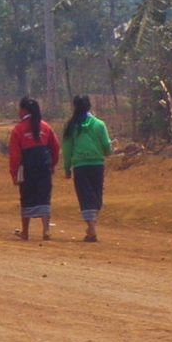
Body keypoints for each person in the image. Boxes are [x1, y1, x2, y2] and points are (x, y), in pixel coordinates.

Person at [62, 95, 114, 242]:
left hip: (80, 166)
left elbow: (67, 149)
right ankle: (91, 228)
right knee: (96, 197)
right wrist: (109, 151)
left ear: (74, 107)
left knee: (85, 197)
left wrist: (67, 168)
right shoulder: (99, 124)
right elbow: (106, 146)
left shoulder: (71, 126)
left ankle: (91, 228)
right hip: (97, 165)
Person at [8, 96, 60, 241]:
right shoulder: (46, 127)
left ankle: (25, 232)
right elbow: (55, 147)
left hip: (27, 167)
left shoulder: (18, 129)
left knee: (27, 197)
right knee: (44, 196)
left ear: (24, 110)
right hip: (44, 165)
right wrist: (52, 164)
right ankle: (46, 230)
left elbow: (15, 155)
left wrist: (14, 173)